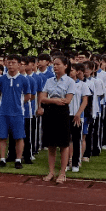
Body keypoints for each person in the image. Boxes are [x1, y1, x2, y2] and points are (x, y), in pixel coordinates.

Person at [39, 56, 75, 184]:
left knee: (63, 144)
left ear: (65, 65)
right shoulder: (49, 81)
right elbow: (42, 98)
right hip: (50, 112)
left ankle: (62, 172)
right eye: (54, 64)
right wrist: (54, 100)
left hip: (62, 113)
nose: (55, 67)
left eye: (58, 64)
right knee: (51, 144)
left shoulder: (70, 81)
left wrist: (51, 99)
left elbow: (67, 100)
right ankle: (51, 171)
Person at [0, 56, 26, 169]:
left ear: (18, 65)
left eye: (13, 62)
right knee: (2, 136)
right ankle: (2, 159)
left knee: (19, 137)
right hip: (3, 112)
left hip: (18, 113)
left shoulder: (23, 79)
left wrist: (19, 104)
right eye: (9, 62)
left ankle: (18, 159)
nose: (11, 65)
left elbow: (28, 96)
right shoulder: (1, 79)